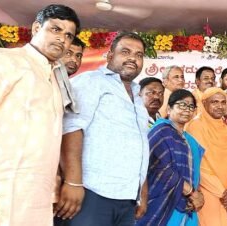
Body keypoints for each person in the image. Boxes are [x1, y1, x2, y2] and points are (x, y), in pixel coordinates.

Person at [0, 4, 79, 225]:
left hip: (36, 201)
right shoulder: (4, 60)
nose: (62, 39)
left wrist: (52, 194)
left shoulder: (55, 80)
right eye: (55, 29)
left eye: (68, 35)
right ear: (36, 28)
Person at [61, 31, 151, 225]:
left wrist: (141, 192)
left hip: (127, 199)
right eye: (125, 52)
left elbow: (140, 147)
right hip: (92, 193)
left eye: (138, 55)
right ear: (110, 56)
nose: (132, 58)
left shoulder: (137, 96)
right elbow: (71, 129)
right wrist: (73, 181)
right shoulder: (91, 81)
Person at [137, 89, 205, 226]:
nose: (187, 110)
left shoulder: (190, 140)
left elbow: (195, 171)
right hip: (162, 202)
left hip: (188, 205)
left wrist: (198, 193)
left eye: (191, 106)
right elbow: (161, 170)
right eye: (182, 105)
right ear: (169, 108)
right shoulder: (161, 132)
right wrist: (192, 193)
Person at [184, 88, 227, 226]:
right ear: (204, 103)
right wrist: (224, 194)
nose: (220, 106)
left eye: (223, 102)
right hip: (208, 196)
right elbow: (199, 167)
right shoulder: (195, 126)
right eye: (214, 102)